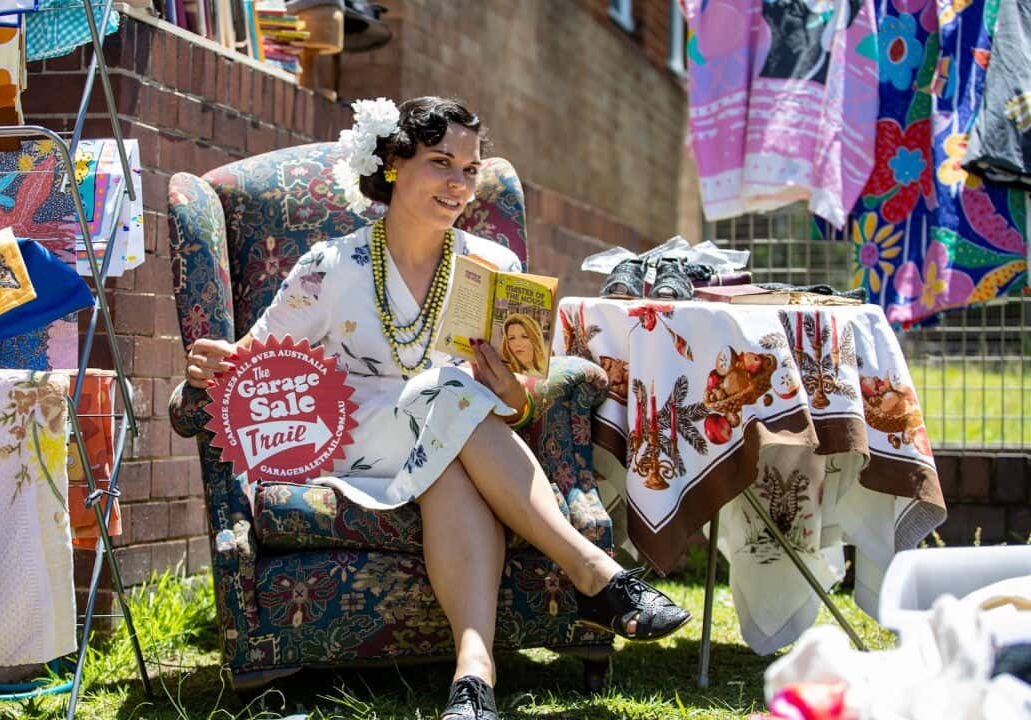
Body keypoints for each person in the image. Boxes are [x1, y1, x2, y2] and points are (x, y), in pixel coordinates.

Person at [184, 96, 690, 720]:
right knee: (449, 398)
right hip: (358, 444)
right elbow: (254, 359)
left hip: (451, 442)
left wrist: (511, 392)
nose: (459, 185)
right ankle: (593, 572)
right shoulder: (331, 267)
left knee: (448, 447)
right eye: (441, 163)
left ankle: (473, 677)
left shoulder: (495, 268)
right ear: (394, 164)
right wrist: (211, 363)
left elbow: (520, 403)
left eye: (470, 170)